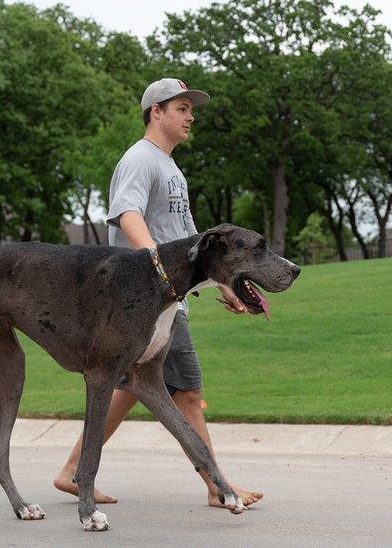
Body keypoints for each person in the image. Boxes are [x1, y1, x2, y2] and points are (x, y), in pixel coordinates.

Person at [52, 78, 264, 508]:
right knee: (186, 389)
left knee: (133, 385)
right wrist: (157, 268)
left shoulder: (171, 168)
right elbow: (127, 214)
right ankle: (217, 486)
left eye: (191, 109)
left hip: (166, 295)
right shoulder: (140, 159)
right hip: (147, 296)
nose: (191, 116)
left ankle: (73, 471)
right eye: (182, 108)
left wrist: (224, 282)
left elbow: (191, 242)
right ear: (156, 112)